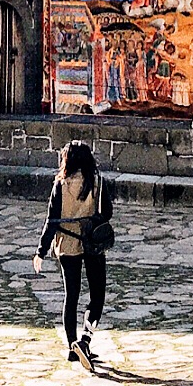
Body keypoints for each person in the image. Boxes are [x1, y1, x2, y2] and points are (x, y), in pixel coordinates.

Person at [33, 140, 112, 370]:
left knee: (72, 296)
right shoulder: (97, 182)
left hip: (66, 244)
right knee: (97, 295)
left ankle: (72, 346)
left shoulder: (60, 184)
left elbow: (51, 220)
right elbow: (107, 212)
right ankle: (85, 340)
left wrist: (41, 251)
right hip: (93, 243)